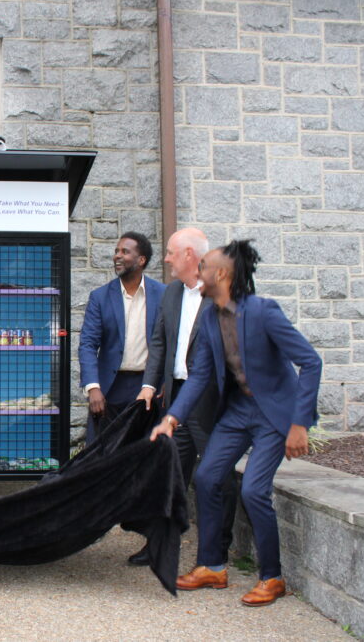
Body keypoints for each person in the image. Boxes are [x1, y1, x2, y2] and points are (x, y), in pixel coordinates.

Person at [150, 240, 322, 607]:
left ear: (222, 274)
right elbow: (199, 376)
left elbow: (311, 362)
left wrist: (299, 424)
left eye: (205, 266)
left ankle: (272, 577)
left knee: (253, 491)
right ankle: (213, 566)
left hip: (275, 414)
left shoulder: (263, 312)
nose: (198, 272)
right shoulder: (211, 316)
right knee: (207, 477)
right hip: (238, 413)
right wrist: (172, 418)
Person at [129, 228, 238, 568]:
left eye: (171, 253)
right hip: (174, 399)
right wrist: (149, 384)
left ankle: (217, 552)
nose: (166, 259)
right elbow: (159, 341)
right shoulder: (172, 292)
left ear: (189, 255)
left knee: (216, 477)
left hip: (211, 403)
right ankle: (159, 546)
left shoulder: (223, 293)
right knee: (168, 476)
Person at [78, 232, 165, 444]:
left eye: (125, 252)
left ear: (141, 259)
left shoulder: (163, 294)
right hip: (110, 388)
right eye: (116, 251)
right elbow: (88, 344)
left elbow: (169, 342)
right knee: (101, 455)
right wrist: (93, 387)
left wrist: (163, 384)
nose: (117, 256)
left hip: (148, 387)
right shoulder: (100, 297)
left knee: (145, 454)